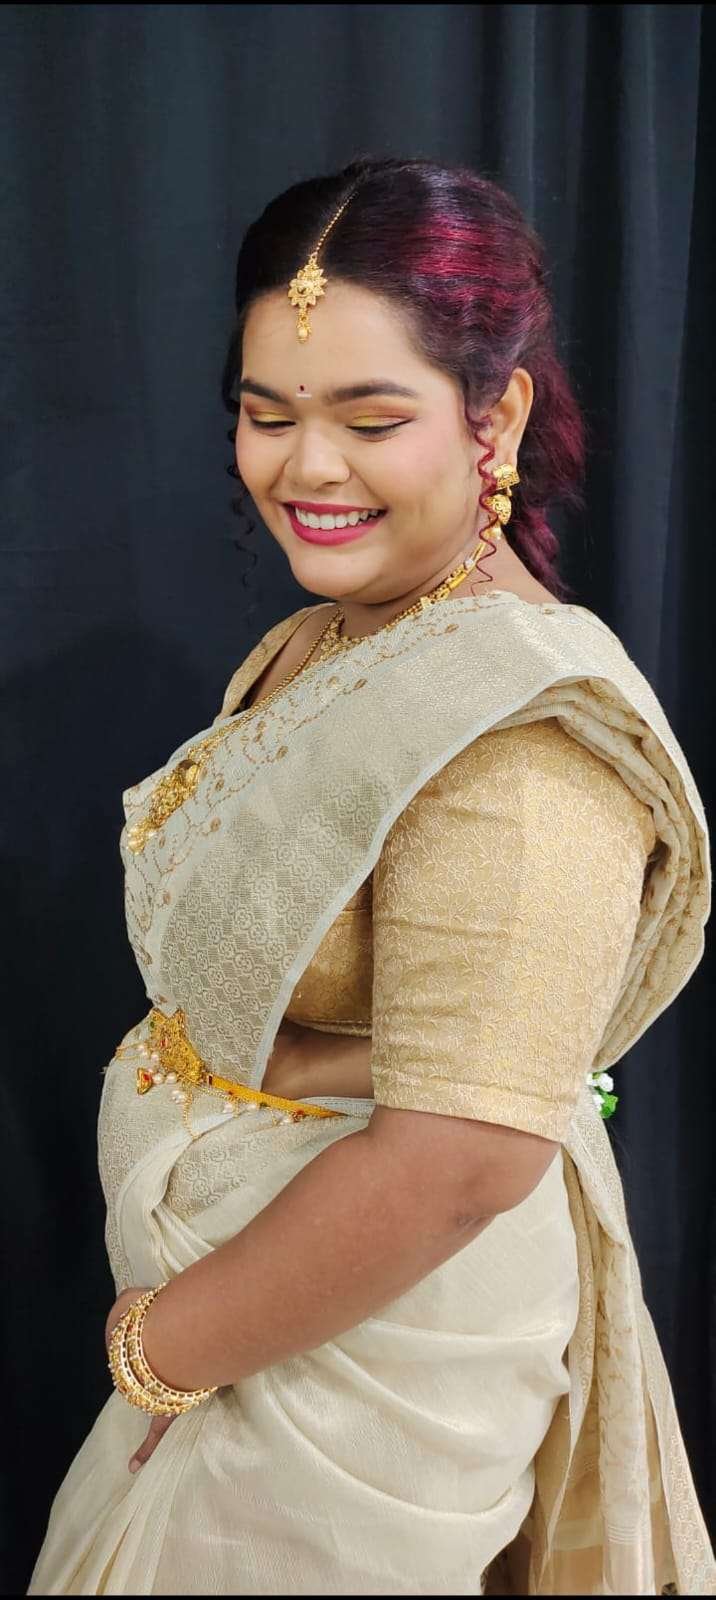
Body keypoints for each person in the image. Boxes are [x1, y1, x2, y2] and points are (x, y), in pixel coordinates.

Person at [29, 156, 713, 1596]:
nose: (308, 470)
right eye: (268, 415)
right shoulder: (354, 629)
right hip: (262, 1330)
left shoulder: (526, 744)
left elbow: (463, 1161)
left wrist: (162, 1350)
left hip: (363, 1387)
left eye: (370, 419)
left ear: (494, 416)